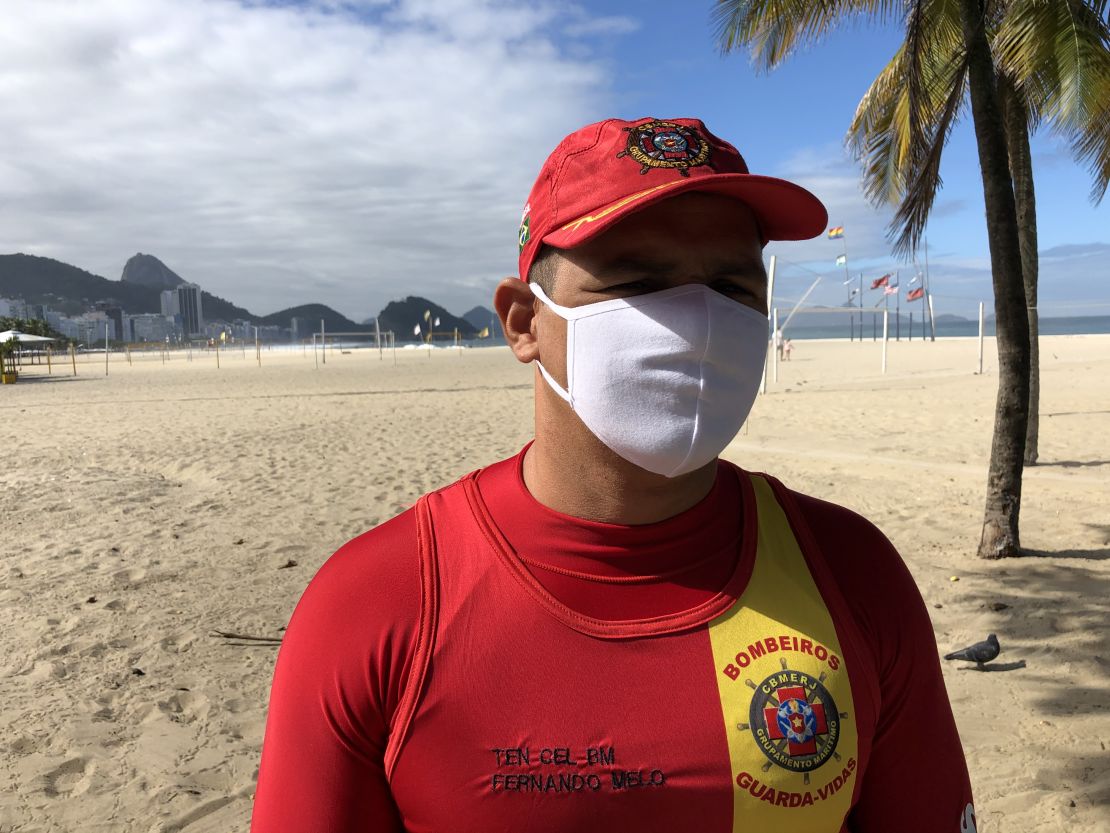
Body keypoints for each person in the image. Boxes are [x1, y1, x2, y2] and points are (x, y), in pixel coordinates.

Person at [250, 117, 976, 833]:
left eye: (732, 286)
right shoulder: (376, 605)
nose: (697, 318)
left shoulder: (855, 574)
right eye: (639, 281)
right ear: (524, 323)